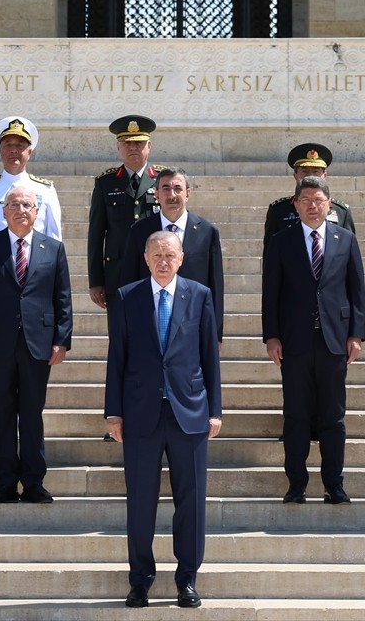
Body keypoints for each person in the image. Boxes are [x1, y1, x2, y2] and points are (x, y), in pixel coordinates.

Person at [105, 231, 221, 609]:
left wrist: (215, 410)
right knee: (141, 501)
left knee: (192, 501)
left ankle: (187, 579)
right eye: (156, 254)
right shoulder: (126, 297)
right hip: (141, 414)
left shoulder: (200, 295)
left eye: (169, 254)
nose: (163, 261)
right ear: (145, 257)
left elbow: (209, 358)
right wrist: (114, 411)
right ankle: (140, 580)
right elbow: (117, 358)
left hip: (189, 413)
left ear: (181, 257)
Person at [0, 185, 72, 504]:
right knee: (1, 413)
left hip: (38, 344)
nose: (21, 209)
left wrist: (61, 340)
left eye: (27, 204)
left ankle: (35, 482)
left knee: (32, 413)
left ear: (37, 211)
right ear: (3, 211)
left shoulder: (53, 248)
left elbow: (62, 297)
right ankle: (6, 482)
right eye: (14, 204)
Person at [261, 175, 365, 505]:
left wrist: (357, 334)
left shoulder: (345, 239)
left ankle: (334, 483)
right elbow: (271, 294)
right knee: (295, 415)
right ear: (296, 204)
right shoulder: (281, 241)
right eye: (305, 199)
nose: (312, 205)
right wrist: (272, 336)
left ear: (329, 204)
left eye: (318, 200)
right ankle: (296, 484)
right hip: (294, 342)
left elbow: (357, 290)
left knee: (333, 417)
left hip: (334, 340)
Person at [119, 167, 225, 341]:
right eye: (166, 188)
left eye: (178, 188)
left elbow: (215, 286)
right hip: (149, 323)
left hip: (193, 324)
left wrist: (216, 335)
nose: (172, 195)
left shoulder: (208, 232)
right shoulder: (139, 231)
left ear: (188, 193)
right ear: (157, 194)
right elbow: (129, 280)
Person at [0, 116, 63, 282]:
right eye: (8, 145)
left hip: (35, 270)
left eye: (20, 145)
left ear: (29, 152)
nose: (14, 150)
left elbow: (54, 237)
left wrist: (57, 277)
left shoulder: (46, 190)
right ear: (0, 150)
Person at [87, 115, 161, 311]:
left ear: (149, 146)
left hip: (156, 272)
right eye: (126, 143)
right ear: (118, 147)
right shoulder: (106, 182)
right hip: (117, 275)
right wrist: (96, 281)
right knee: (120, 338)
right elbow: (96, 234)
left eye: (139, 142)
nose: (133, 147)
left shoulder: (163, 181)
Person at [262, 143, 355, 254]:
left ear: (325, 175)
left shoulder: (341, 211)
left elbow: (349, 253)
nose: (310, 176)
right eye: (304, 171)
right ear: (295, 175)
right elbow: (270, 254)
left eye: (316, 171)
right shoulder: (279, 210)